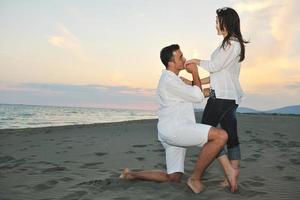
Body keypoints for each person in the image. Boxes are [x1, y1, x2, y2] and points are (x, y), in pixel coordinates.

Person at [120, 44, 239, 193]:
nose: (184, 59)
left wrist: (222, 91)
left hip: (170, 132)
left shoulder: (173, 80)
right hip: (176, 130)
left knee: (173, 177)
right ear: (171, 63)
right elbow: (197, 96)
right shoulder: (170, 81)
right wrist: (194, 72)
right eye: (180, 57)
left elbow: (201, 93)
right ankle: (195, 178)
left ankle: (131, 174)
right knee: (220, 136)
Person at [185, 7, 248, 186]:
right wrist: (192, 82)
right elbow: (218, 74)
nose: (215, 24)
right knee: (231, 136)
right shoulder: (228, 44)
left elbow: (214, 66)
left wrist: (196, 61)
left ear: (225, 22)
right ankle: (232, 175)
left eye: (217, 20)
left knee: (207, 134)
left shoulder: (232, 44)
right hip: (227, 96)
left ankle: (229, 171)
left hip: (221, 97)